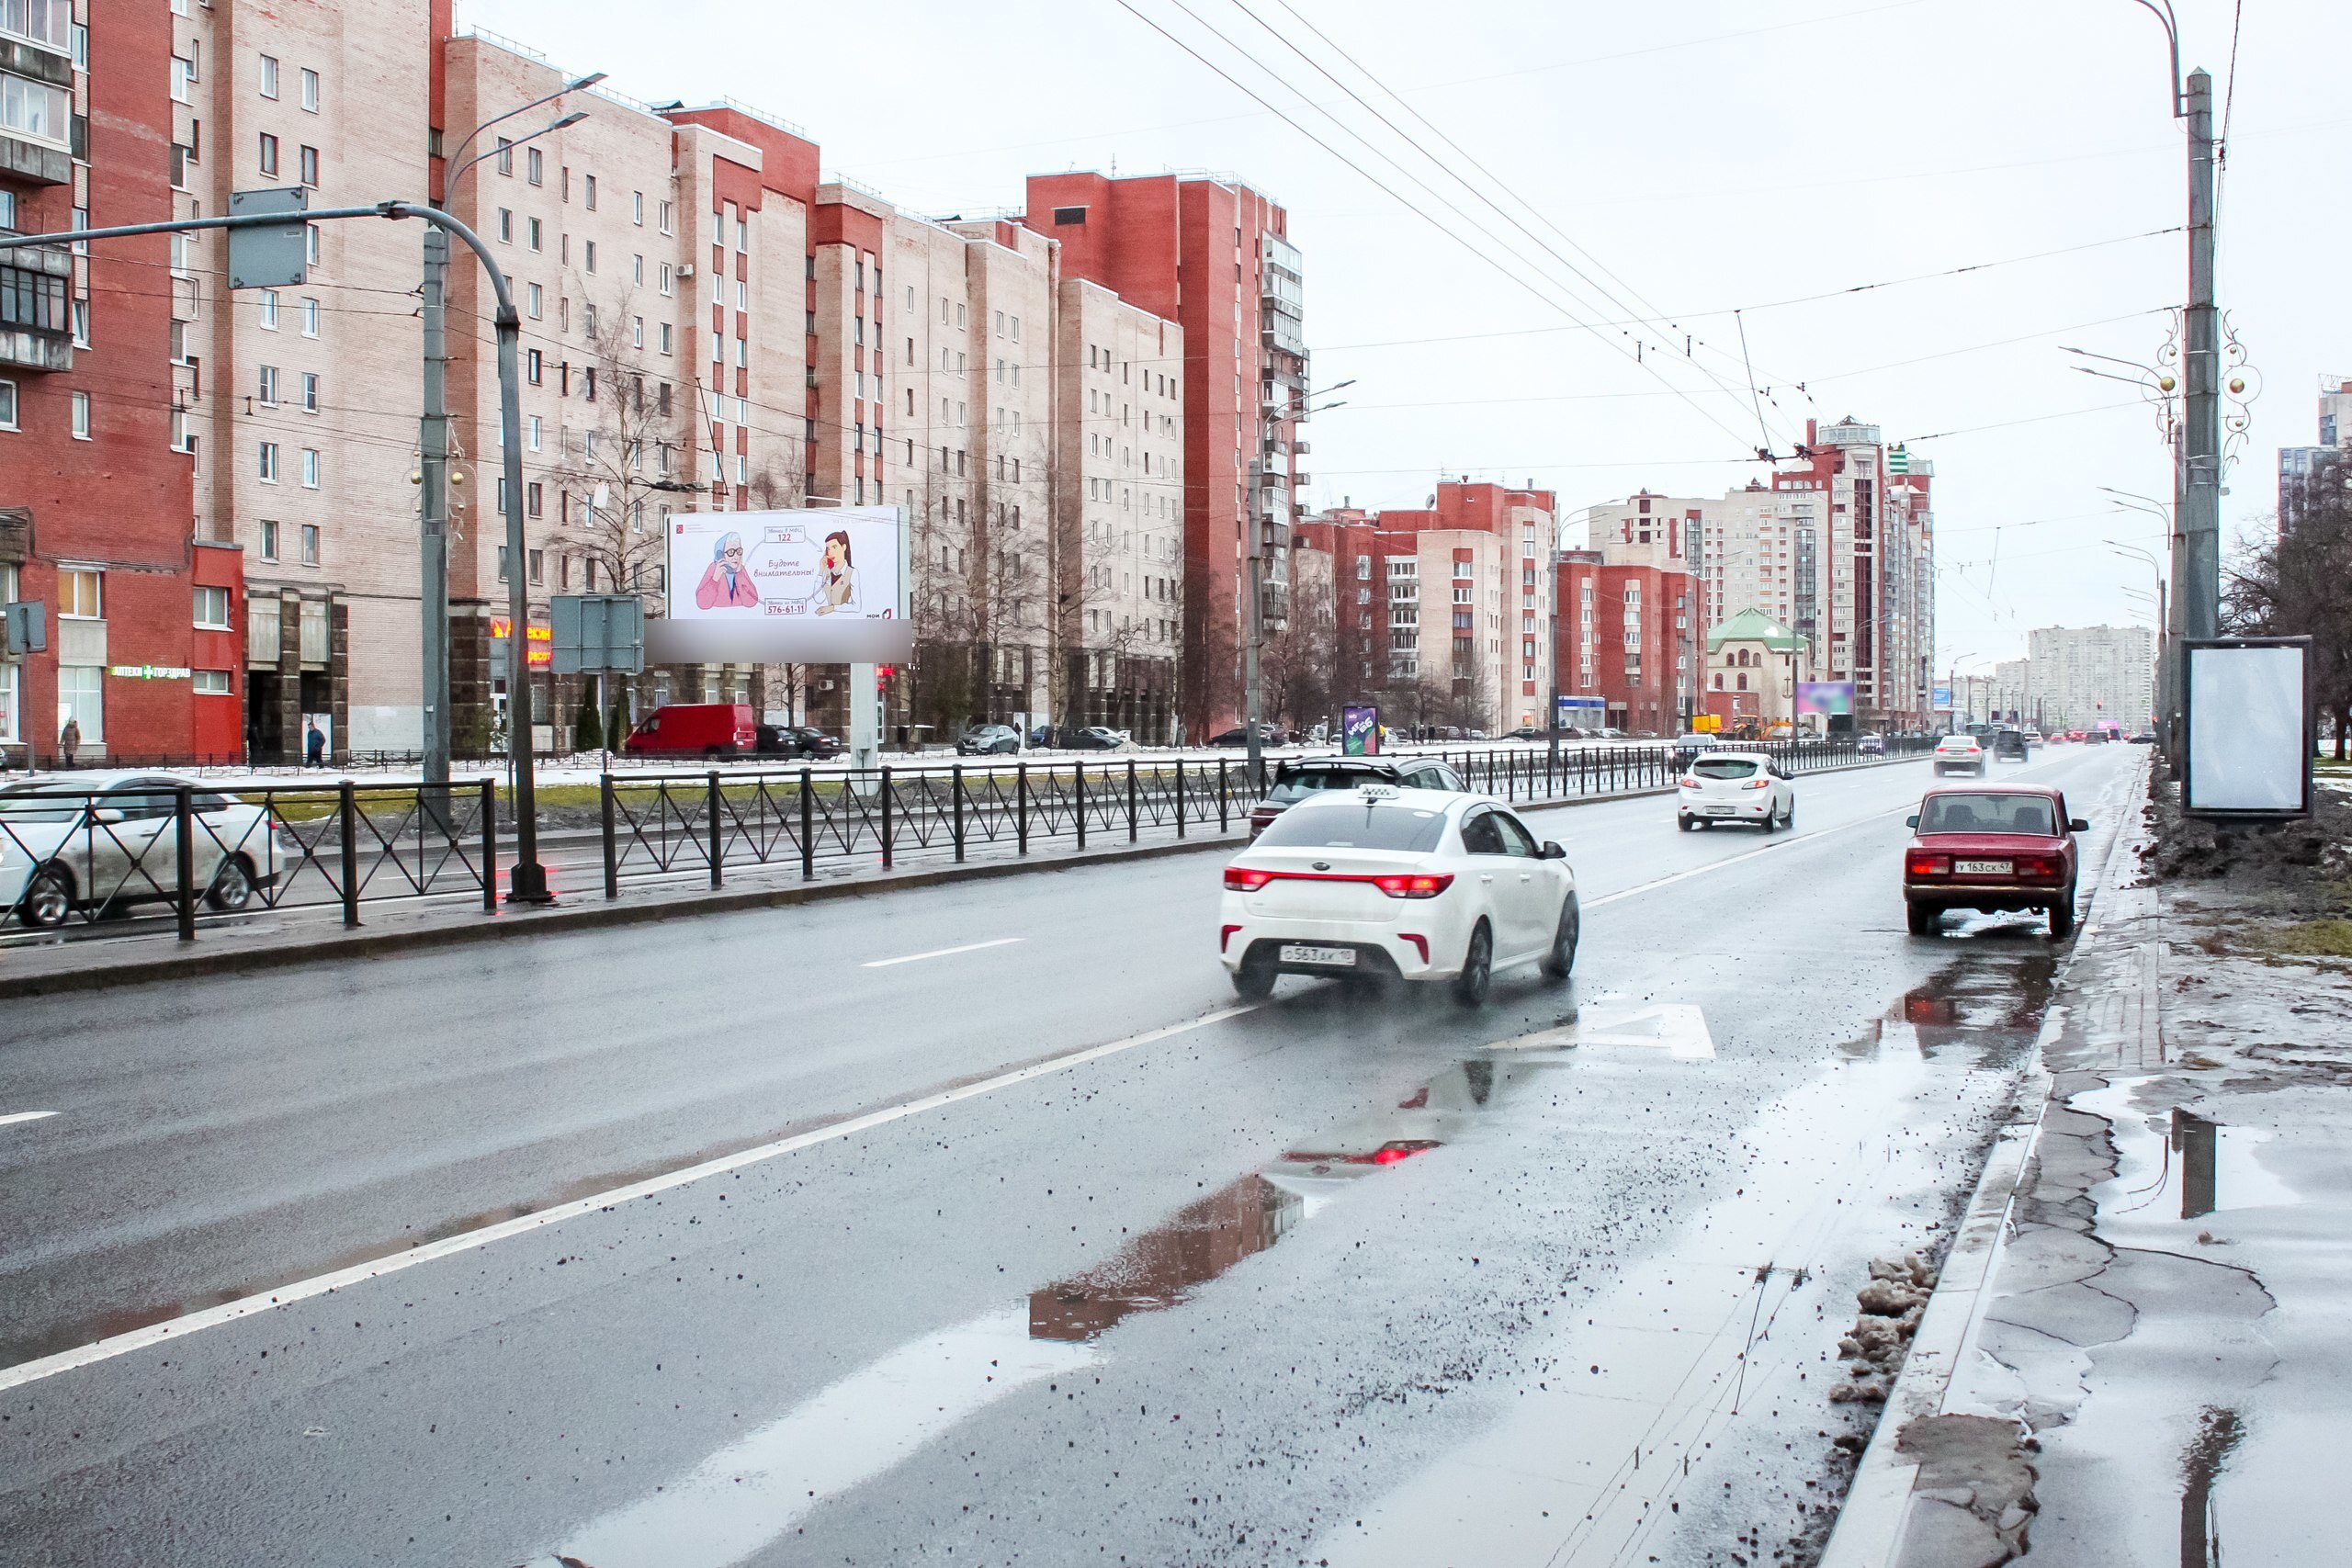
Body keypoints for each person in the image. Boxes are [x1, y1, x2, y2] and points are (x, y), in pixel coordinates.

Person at [694, 532, 761, 610]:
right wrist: (715, 580)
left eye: (738, 551)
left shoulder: (740, 570)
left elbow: (752, 602)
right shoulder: (714, 568)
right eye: (731, 552)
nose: (736, 556)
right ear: (721, 554)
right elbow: (703, 604)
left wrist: (739, 574)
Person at [815, 530, 856, 614]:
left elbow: (856, 607)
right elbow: (818, 600)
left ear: (844, 547)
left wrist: (832, 608)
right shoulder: (827, 572)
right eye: (828, 549)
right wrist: (821, 572)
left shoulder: (852, 573)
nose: (831, 552)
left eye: (834, 547)